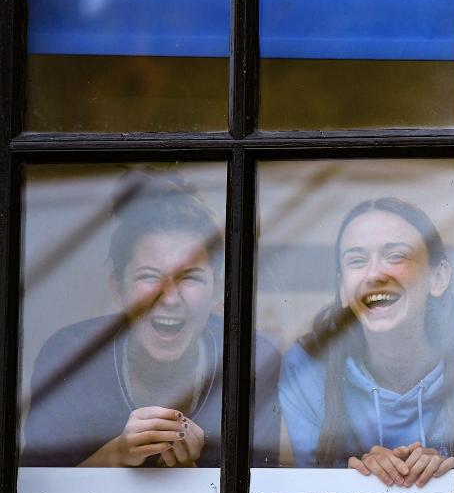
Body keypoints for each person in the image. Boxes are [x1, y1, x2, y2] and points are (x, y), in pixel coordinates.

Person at [20, 169, 281, 468]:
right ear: (118, 288)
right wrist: (116, 455)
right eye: (149, 277)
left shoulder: (253, 359)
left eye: (190, 278)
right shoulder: (70, 355)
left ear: (217, 291)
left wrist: (193, 481)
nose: (169, 298)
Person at [280, 197, 454, 487]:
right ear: (343, 289)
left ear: (438, 278)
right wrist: (358, 475)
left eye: (396, 256)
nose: (374, 274)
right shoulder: (309, 365)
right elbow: (308, 489)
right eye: (357, 261)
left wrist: (449, 473)